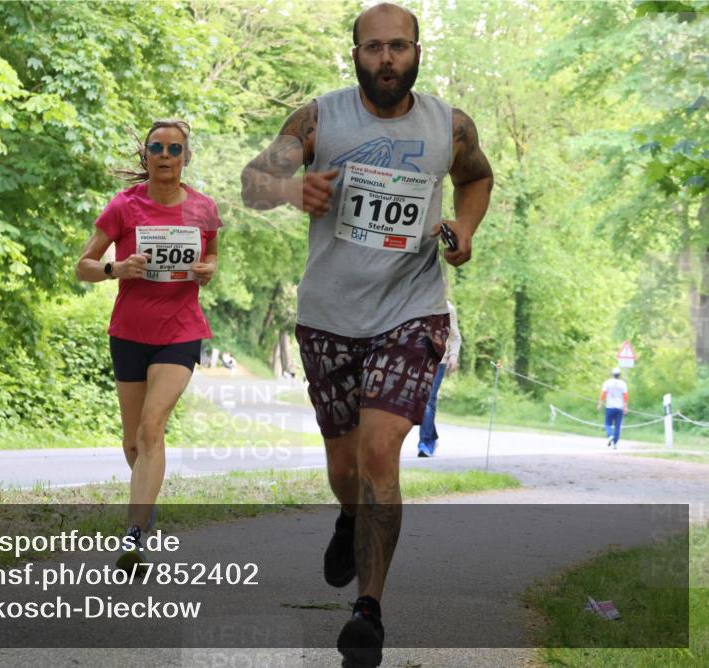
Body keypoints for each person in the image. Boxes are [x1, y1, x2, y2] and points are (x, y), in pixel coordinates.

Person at [241, 4, 493, 666]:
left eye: (399, 47)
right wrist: (292, 191)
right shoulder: (318, 119)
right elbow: (253, 183)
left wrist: (463, 233)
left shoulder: (449, 125)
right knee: (344, 465)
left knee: (381, 452)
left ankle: (368, 609)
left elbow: (477, 178)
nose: (387, 59)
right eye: (374, 47)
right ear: (354, 53)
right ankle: (350, 517)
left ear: (417, 50)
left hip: (413, 309)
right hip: (328, 316)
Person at [75, 119, 221, 569]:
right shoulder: (124, 206)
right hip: (131, 331)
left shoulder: (203, 208)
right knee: (133, 440)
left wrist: (207, 269)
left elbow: (212, 254)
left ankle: (134, 534)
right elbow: (83, 265)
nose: (164, 155)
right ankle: (147, 502)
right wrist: (116, 270)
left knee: (152, 425)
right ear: (146, 156)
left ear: (185, 157)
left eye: (174, 149)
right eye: (157, 147)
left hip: (181, 330)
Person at [417, 300, 461, 457]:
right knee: (420, 401)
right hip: (418, 361)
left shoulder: (448, 308)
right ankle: (432, 437)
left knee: (429, 400)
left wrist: (453, 357)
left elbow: (455, 337)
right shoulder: (416, 304)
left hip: (439, 361)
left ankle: (426, 443)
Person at [597, 367, 628, 449]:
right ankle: (615, 443)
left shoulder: (607, 383)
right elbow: (625, 396)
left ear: (612, 374)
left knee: (607, 423)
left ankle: (610, 435)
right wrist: (625, 407)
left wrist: (600, 403)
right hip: (619, 407)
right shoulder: (623, 384)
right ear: (619, 375)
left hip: (610, 406)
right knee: (618, 425)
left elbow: (603, 393)